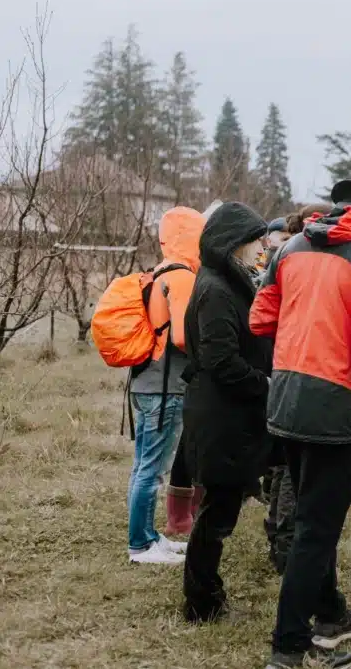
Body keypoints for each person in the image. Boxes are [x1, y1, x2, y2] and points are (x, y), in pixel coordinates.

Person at [251, 164, 351, 669]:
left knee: (313, 518)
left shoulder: (291, 248)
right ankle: (288, 648)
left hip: (286, 395)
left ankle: (332, 613)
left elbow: (260, 319)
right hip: (338, 405)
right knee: (316, 531)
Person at [179, 202, 273, 622]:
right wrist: (266, 384)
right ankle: (202, 603)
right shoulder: (216, 289)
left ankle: (204, 596)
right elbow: (221, 361)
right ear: (234, 242)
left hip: (229, 415)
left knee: (219, 510)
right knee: (216, 515)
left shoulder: (226, 281)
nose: (262, 247)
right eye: (256, 240)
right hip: (221, 418)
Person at [128, 206, 205, 564]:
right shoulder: (183, 276)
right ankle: (141, 546)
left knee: (143, 467)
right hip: (166, 387)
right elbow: (181, 337)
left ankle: (148, 537)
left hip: (145, 382)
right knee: (152, 470)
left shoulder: (159, 270)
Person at [264, 202, 332, 574]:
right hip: (295, 372)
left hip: (283, 371)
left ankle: (277, 534)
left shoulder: (286, 258)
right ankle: (285, 546)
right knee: (292, 470)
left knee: (281, 465)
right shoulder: (298, 261)